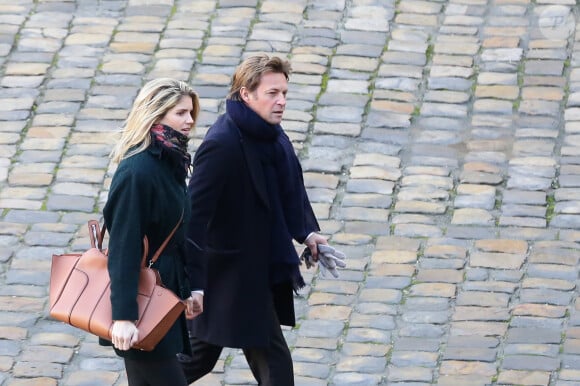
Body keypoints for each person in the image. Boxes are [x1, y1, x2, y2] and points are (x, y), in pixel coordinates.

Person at [180, 54, 328, 385]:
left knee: (197, 359)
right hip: (227, 278)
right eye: (272, 93)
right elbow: (194, 218)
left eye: (284, 93)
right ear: (246, 94)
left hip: (253, 273)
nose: (281, 102)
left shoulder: (270, 135)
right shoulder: (222, 144)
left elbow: (288, 189)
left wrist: (307, 234)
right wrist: (194, 283)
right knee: (272, 366)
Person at [102, 78, 203, 386]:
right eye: (180, 113)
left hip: (164, 297)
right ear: (156, 115)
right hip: (145, 303)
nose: (189, 121)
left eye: (190, 113)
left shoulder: (171, 163)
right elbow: (123, 246)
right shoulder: (138, 172)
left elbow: (177, 233)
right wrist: (123, 316)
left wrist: (191, 290)